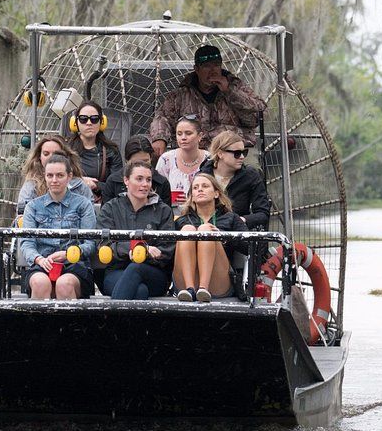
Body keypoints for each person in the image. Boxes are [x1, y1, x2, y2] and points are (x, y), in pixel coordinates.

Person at [149, 44, 266, 156]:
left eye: (216, 65)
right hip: (194, 154)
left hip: (233, 152)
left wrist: (230, 92)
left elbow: (256, 117)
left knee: (252, 170)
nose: (213, 70)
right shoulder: (181, 95)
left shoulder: (236, 87)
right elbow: (161, 117)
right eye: (206, 66)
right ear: (197, 69)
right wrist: (160, 138)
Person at [19, 155, 97, 300]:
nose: (54, 180)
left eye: (60, 175)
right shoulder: (33, 207)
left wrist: (68, 254)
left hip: (75, 265)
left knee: (64, 284)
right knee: (40, 283)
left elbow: (90, 244)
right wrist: (40, 259)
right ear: (45, 176)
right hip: (42, 264)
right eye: (50, 175)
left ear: (69, 177)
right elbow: (27, 243)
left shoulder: (83, 205)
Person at [96, 160, 176, 300]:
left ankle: (109, 318)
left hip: (154, 273)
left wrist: (142, 255)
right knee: (139, 291)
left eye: (148, 180)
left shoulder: (163, 210)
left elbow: (166, 251)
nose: (145, 184)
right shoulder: (111, 208)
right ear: (126, 180)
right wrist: (138, 249)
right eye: (139, 179)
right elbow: (103, 245)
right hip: (117, 271)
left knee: (135, 268)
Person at [172, 173, 248, 303]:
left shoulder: (231, 218)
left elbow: (252, 248)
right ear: (192, 197)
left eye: (205, 186)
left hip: (218, 280)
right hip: (184, 282)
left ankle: (204, 288)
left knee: (206, 230)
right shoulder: (182, 221)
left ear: (216, 193)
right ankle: (190, 288)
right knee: (187, 230)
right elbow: (169, 252)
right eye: (195, 188)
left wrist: (224, 238)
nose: (200, 189)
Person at [199, 130, 271, 229]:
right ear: (220, 154)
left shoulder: (250, 176)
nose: (242, 157)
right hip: (207, 228)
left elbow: (263, 213)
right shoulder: (203, 175)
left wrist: (241, 220)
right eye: (237, 153)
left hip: (236, 232)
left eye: (244, 152)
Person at [16, 135, 89, 215]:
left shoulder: (79, 186)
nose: (51, 157)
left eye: (56, 154)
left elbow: (89, 216)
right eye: (46, 154)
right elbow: (22, 217)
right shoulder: (31, 187)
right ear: (39, 157)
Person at [66, 101, 122, 202]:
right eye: (83, 119)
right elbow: (55, 179)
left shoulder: (111, 150)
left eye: (94, 119)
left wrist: (96, 185)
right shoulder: (65, 149)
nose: (89, 123)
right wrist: (80, 181)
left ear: (101, 122)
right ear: (75, 122)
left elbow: (118, 187)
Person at [99, 134, 171, 205]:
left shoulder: (162, 183)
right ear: (127, 161)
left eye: (145, 161)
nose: (141, 166)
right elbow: (106, 213)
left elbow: (166, 214)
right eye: (136, 163)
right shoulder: (113, 182)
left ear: (151, 158)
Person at [155, 115, 207, 210]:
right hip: (170, 213)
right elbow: (157, 192)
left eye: (188, 133)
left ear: (200, 136)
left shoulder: (210, 159)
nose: (183, 138)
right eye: (179, 134)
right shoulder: (166, 159)